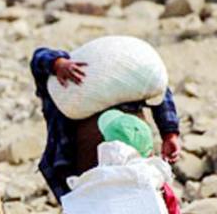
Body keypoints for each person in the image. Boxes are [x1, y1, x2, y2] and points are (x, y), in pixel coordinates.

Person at [29, 47, 181, 201]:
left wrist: (170, 133)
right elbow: (39, 58)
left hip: (130, 158)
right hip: (91, 158)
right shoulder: (69, 84)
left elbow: (158, 87)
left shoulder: (132, 79)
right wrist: (58, 63)